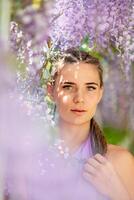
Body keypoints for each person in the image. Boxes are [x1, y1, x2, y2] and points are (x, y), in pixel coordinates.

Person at [45, 47, 134, 200]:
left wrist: (117, 191)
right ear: (50, 90)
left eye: (90, 88)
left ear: (100, 93)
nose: (80, 98)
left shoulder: (119, 161)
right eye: (68, 87)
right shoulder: (28, 158)